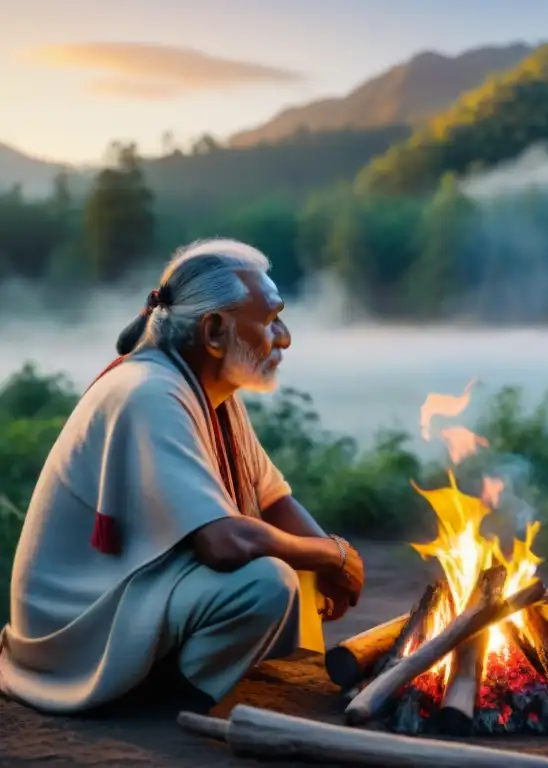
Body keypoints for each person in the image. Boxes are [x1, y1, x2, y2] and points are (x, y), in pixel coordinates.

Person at [0, 239, 364, 715]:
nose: (286, 336)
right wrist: (333, 554)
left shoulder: (211, 395)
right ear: (214, 331)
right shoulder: (149, 391)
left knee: (296, 562)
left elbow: (272, 498)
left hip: (129, 591)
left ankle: (184, 668)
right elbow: (223, 542)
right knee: (267, 581)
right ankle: (166, 697)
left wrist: (329, 565)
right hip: (76, 622)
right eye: (271, 319)